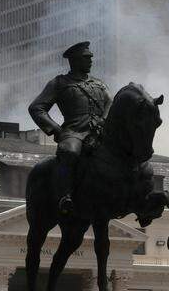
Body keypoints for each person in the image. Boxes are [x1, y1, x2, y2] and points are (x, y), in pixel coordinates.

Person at [28, 41, 112, 214]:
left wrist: (103, 121)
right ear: (74, 60)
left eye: (90, 58)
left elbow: (110, 103)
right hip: (75, 132)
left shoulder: (100, 84)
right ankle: (65, 195)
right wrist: (56, 130)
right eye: (86, 58)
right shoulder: (59, 83)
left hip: (100, 132)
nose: (90, 61)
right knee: (70, 152)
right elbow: (37, 108)